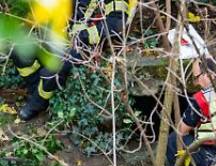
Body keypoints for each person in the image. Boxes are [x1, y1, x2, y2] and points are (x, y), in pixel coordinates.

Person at [8, 0, 137, 121]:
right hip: (56, 37)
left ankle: (38, 102)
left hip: (84, 46)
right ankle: (35, 87)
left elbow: (115, 25)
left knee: (55, 68)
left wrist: (82, 36)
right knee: (18, 48)